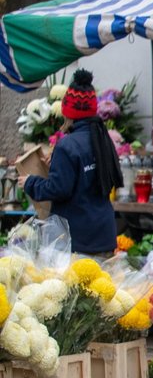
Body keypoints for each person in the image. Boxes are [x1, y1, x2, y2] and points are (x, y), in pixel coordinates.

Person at [20, 69, 123, 256]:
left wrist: (30, 182)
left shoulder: (67, 144)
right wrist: (58, 164)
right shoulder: (103, 138)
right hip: (103, 233)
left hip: (77, 239)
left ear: (68, 112)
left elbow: (58, 189)